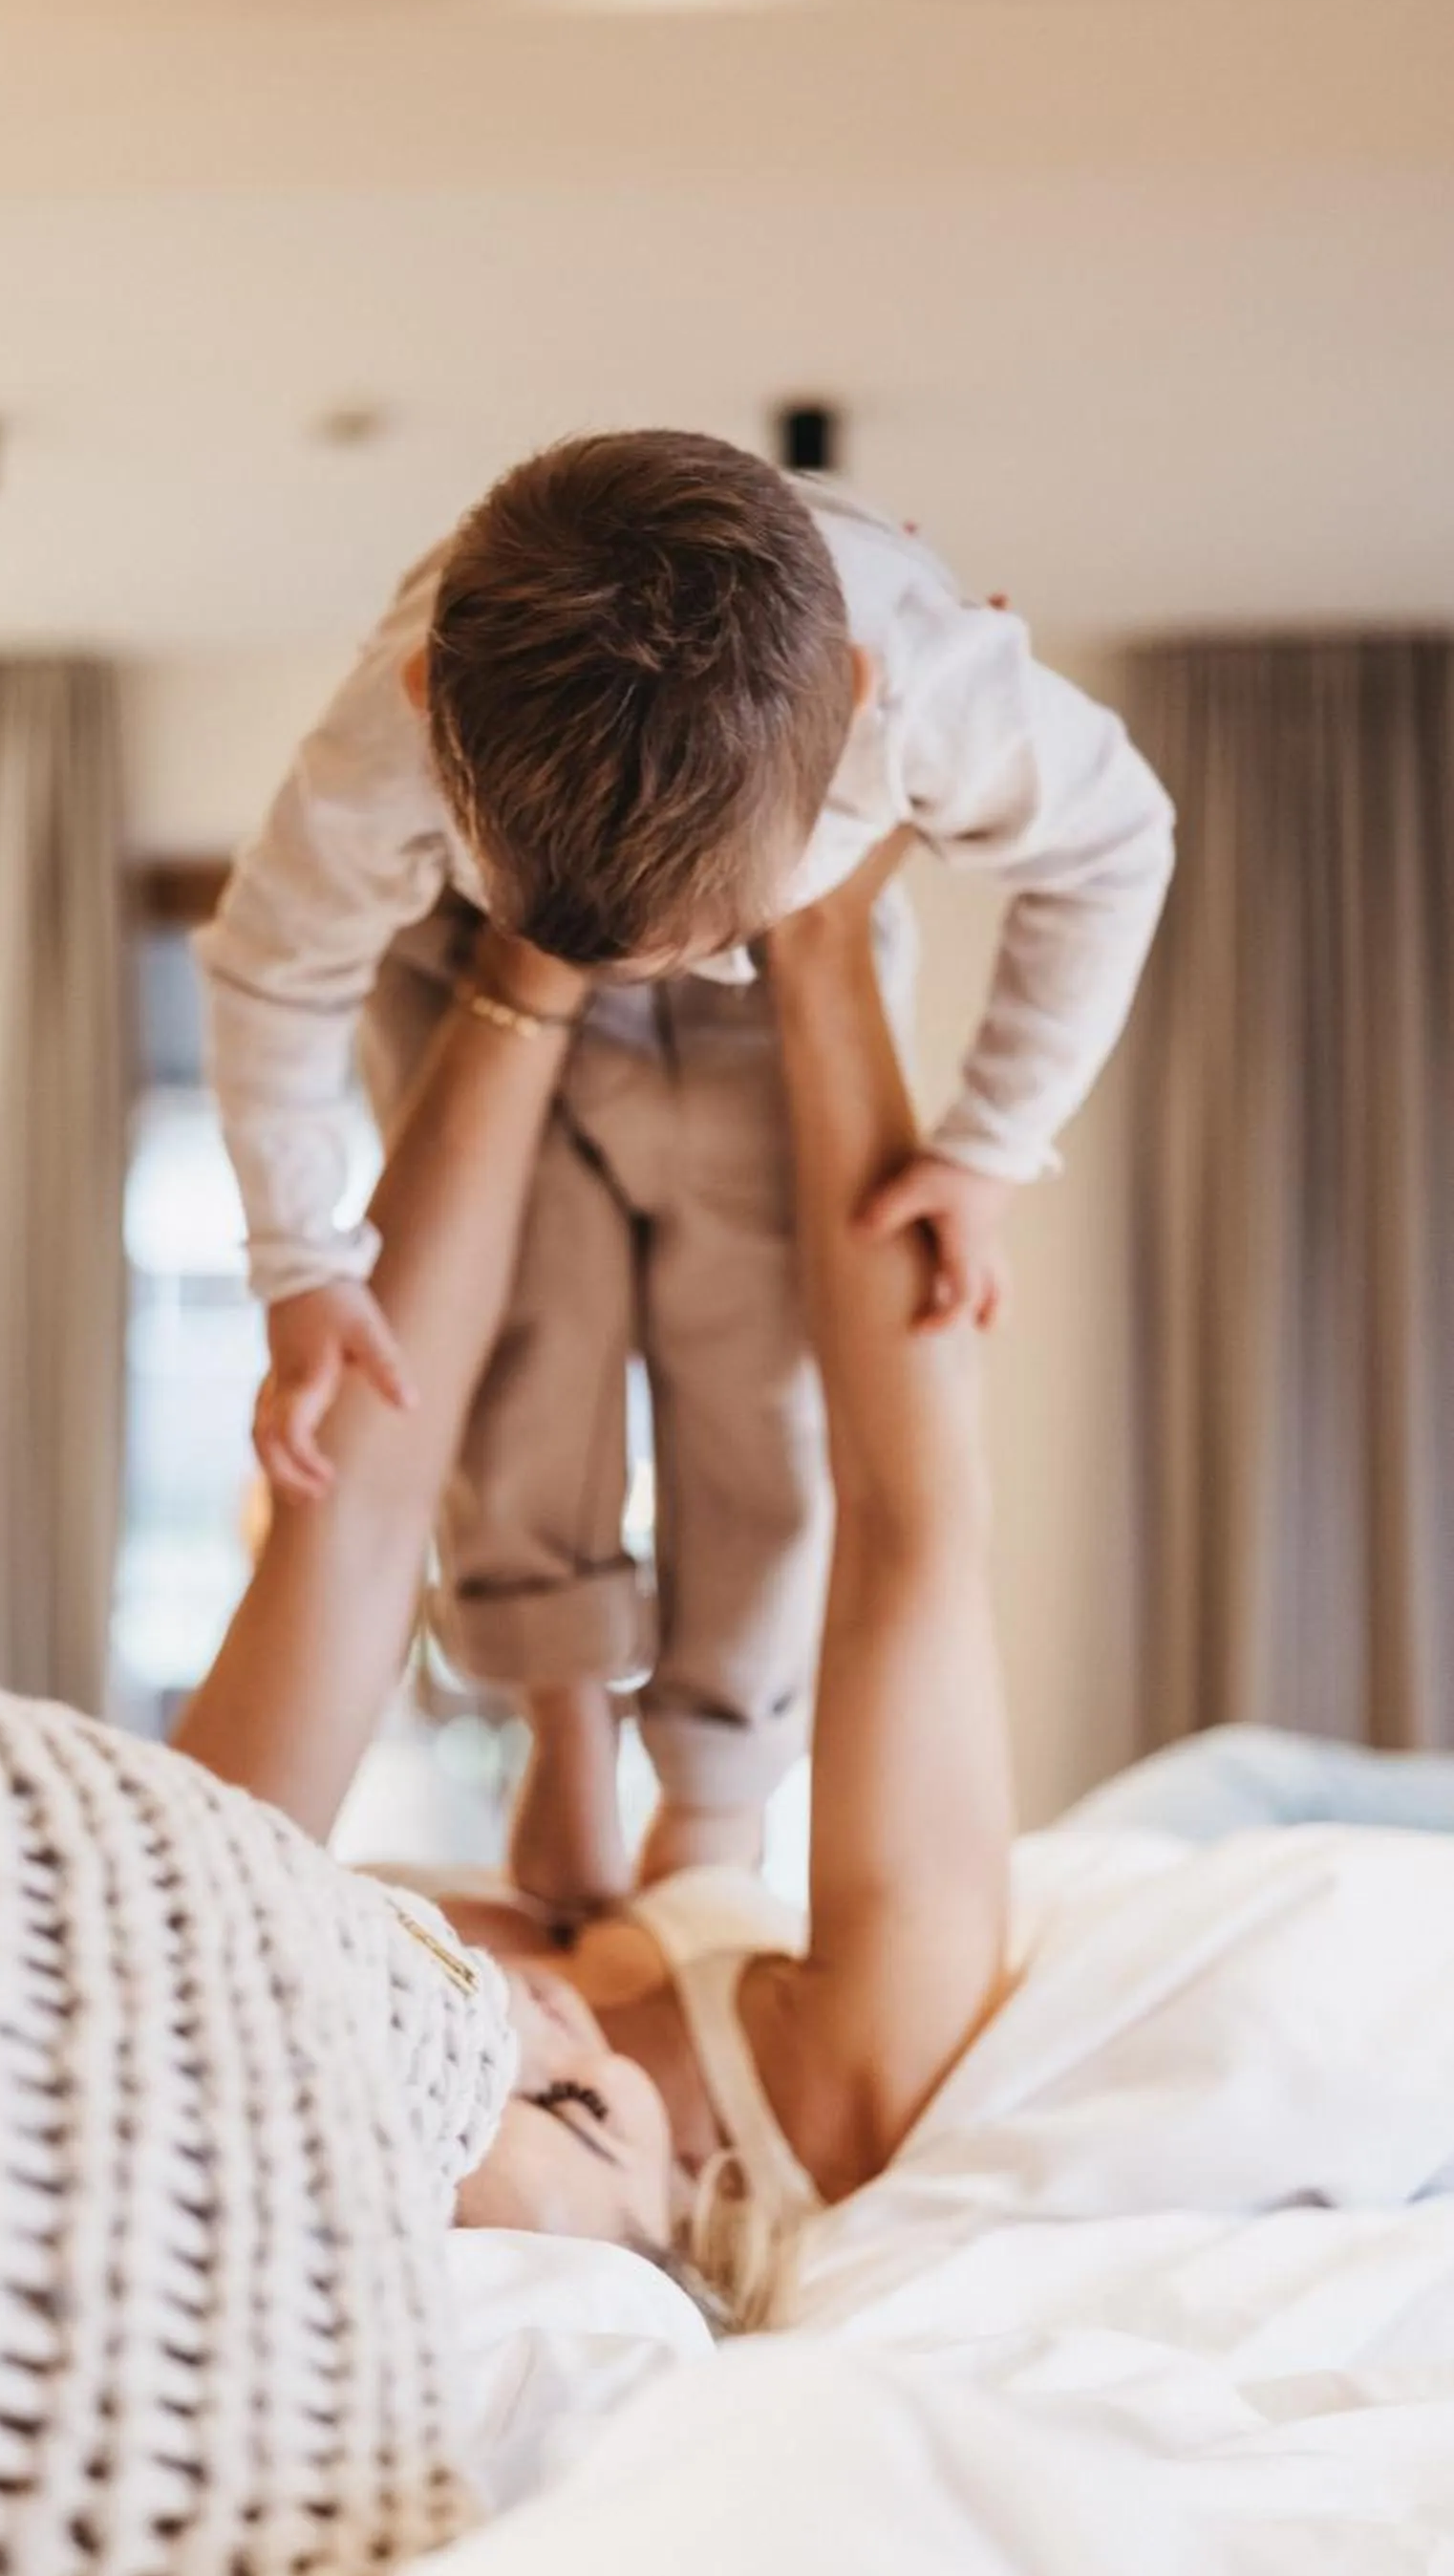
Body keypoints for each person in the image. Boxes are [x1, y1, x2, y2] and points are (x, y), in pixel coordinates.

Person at [179, 832, 1454, 2333]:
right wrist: (824, 940)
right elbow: (906, 1520)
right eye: (576, 2111)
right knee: (1259, 1790)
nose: (508, 2021)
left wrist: (530, 960)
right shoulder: (843, 2091)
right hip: (1179, 1856)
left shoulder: (225, 1948)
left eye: (433, 2067)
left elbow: (372, 1503)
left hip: (944, 1869)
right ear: (686, 2235)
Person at [198, 430, 1176, 1913]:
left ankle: (716, 1781)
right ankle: (562, 1717)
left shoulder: (928, 680)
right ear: (425, 711)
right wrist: (299, 1264)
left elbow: (1113, 849)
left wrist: (987, 1145)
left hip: (757, 1024)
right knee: (526, 1351)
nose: (623, 976)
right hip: (468, 963)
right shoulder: (378, 734)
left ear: (850, 705)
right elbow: (274, 970)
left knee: (758, 1376)